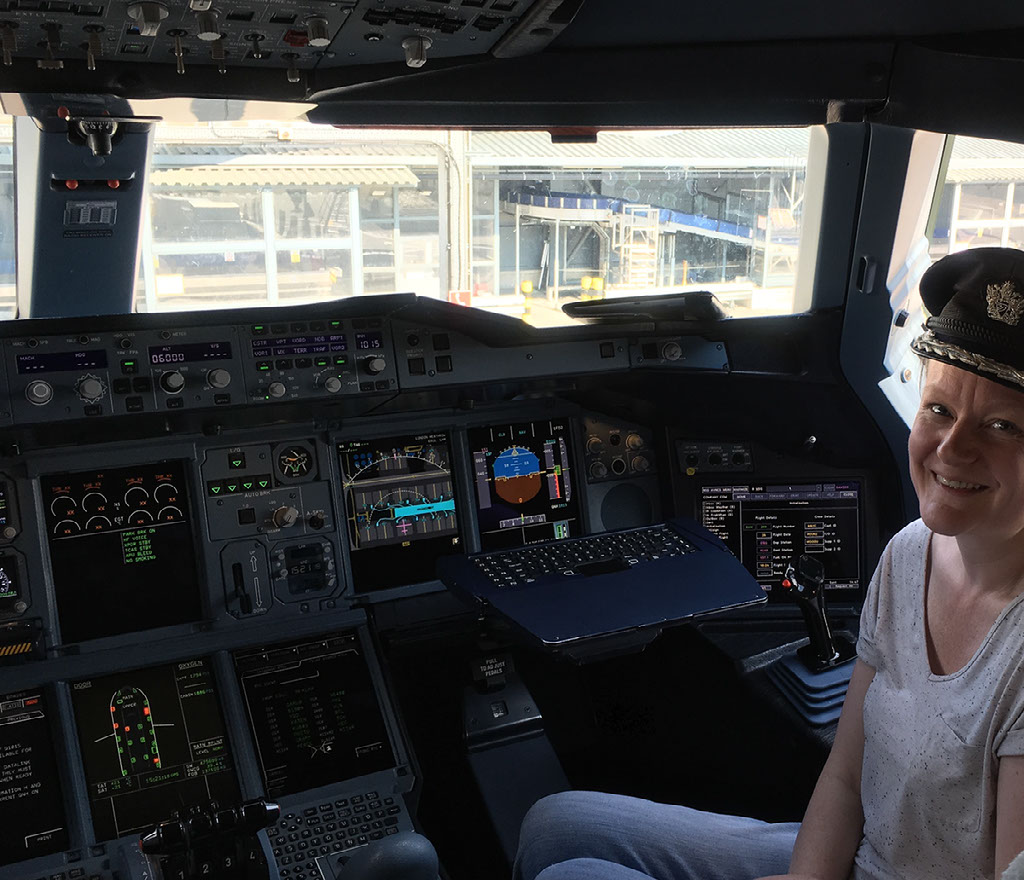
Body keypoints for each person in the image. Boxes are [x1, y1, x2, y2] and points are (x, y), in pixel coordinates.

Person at [513, 246, 1024, 880]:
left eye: (1002, 427)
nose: (951, 448)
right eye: (939, 410)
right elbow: (846, 775)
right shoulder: (909, 552)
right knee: (555, 826)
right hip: (863, 857)